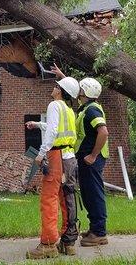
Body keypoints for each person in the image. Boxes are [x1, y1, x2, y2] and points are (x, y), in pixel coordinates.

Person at [51, 65, 110, 247]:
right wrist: (63, 77)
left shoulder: (92, 110)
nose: (79, 90)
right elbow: (73, 90)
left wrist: (93, 155)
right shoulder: (87, 106)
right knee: (87, 193)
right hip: (85, 159)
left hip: (92, 159)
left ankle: (99, 233)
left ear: (86, 92)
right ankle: (94, 229)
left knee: (94, 194)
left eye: (81, 88)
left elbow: (103, 132)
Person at [25, 76, 80, 259]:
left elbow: (53, 131)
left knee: (49, 198)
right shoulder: (69, 110)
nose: (54, 87)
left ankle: (48, 244)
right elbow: (54, 127)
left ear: (61, 91)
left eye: (57, 86)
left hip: (56, 157)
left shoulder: (54, 105)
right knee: (67, 197)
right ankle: (68, 242)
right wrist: (38, 124)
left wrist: (41, 154)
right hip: (70, 158)